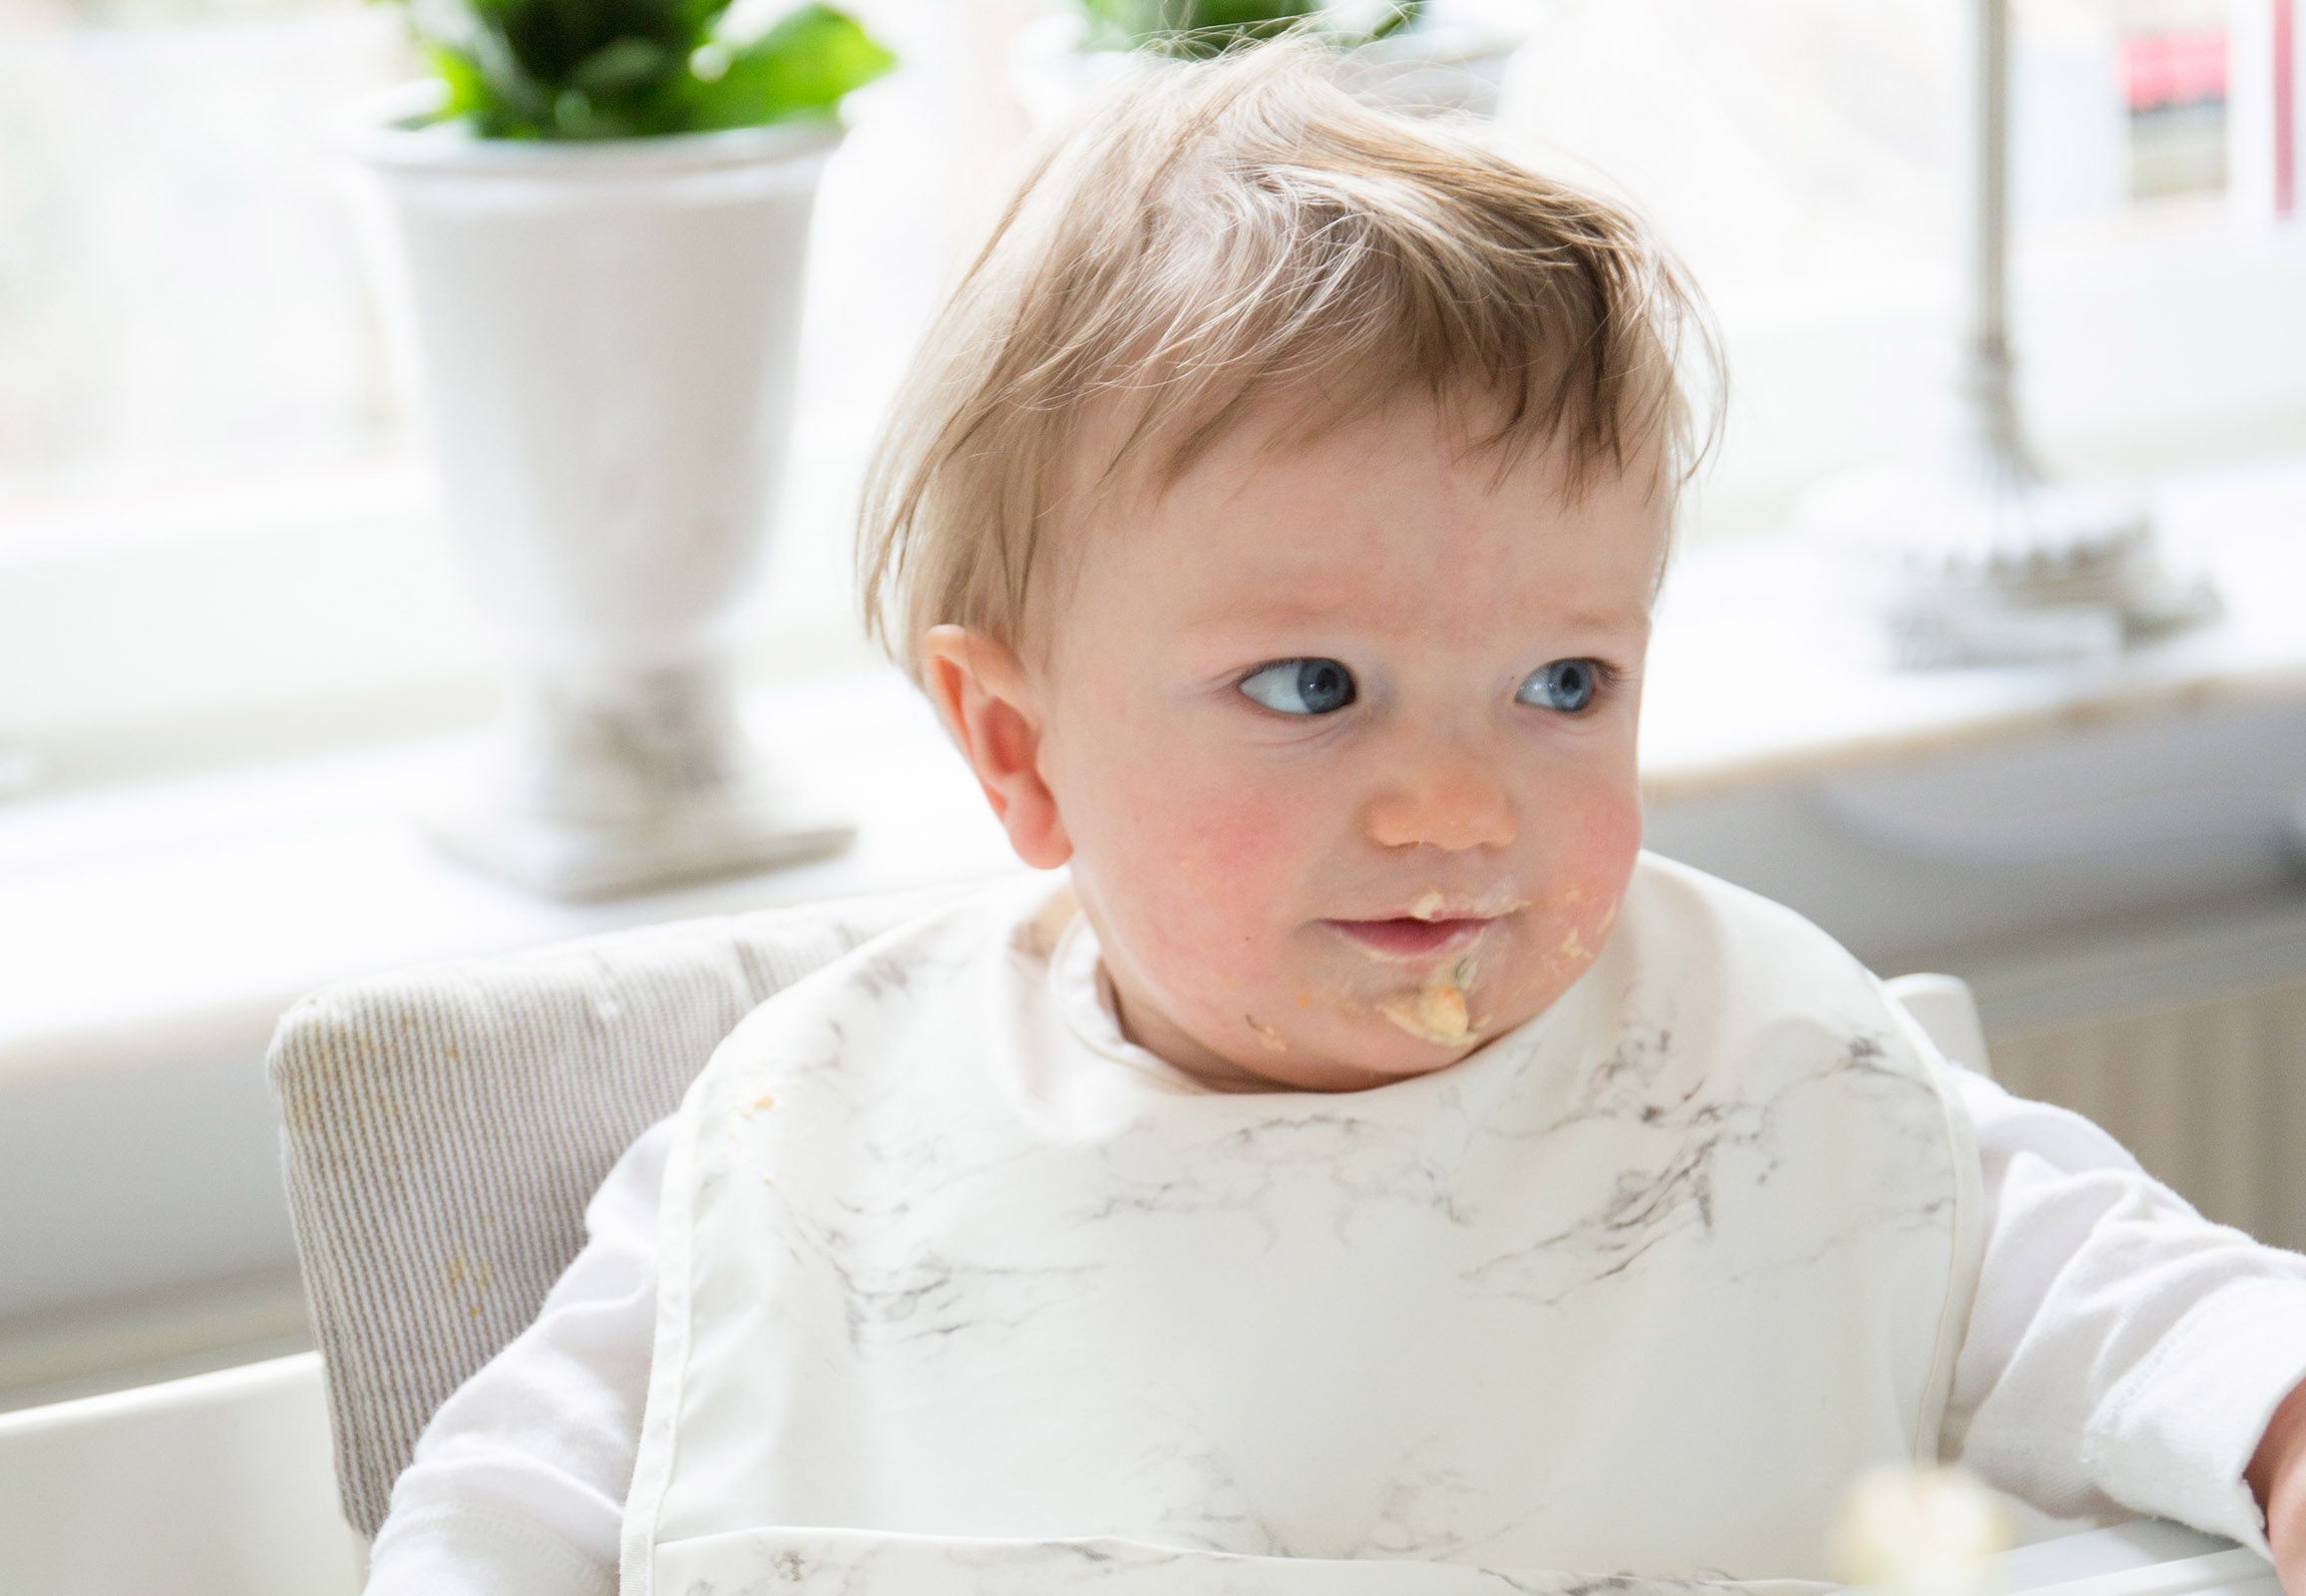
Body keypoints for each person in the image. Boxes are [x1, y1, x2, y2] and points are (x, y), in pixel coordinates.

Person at [361, 32, 2306, 1596]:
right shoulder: (821, 1130)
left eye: (1566, 685)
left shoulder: (1753, 1070)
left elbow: (2142, 1304)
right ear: (1019, 750)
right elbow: (516, 1496)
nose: (1459, 806)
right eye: (1312, 689)